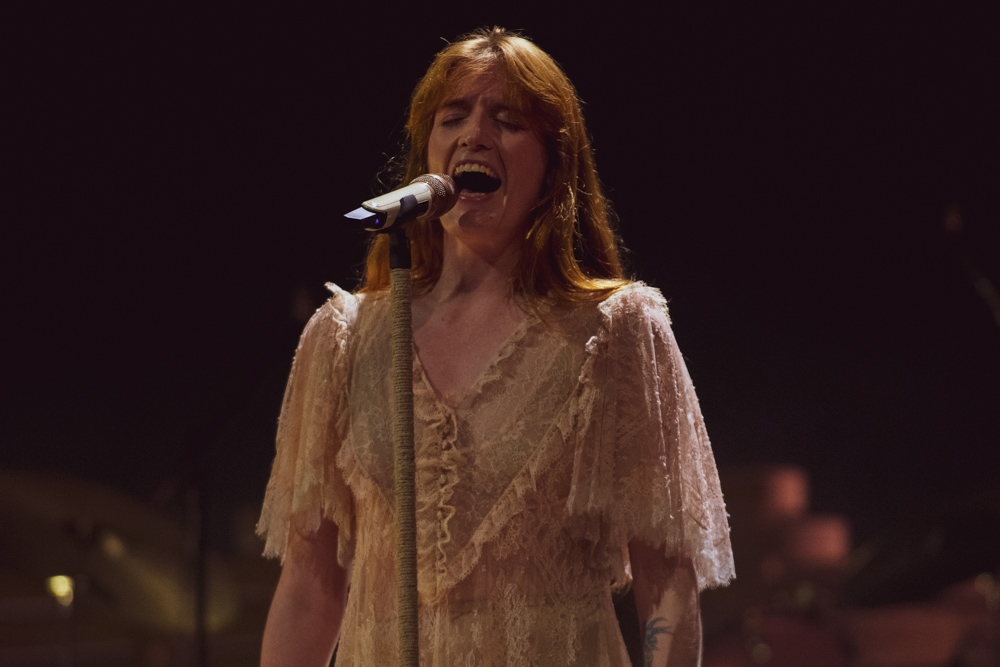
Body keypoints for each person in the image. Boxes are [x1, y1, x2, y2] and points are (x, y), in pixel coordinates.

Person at [257, 27, 734, 667]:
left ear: (552, 165)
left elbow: (665, 580)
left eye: (506, 120)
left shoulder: (618, 333)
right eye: (452, 117)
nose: (473, 134)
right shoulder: (344, 341)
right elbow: (310, 590)